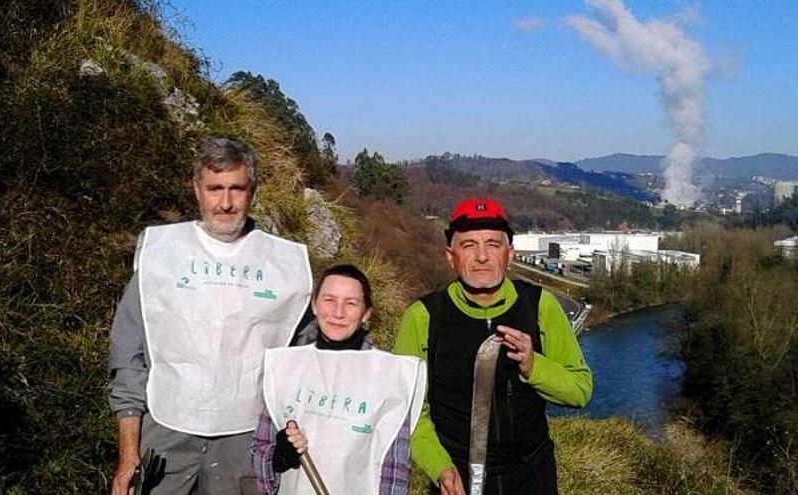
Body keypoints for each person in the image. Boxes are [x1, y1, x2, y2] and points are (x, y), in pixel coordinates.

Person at [108, 137, 312, 495]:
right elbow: (128, 356)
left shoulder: (284, 265)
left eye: (237, 189)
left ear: (253, 190)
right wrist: (128, 453)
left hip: (246, 438)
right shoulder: (162, 254)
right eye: (215, 188)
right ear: (196, 190)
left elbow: (311, 357)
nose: (226, 202)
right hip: (165, 428)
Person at [394, 198, 592, 495]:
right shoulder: (423, 318)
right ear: (451, 256)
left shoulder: (541, 306)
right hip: (456, 478)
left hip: (531, 474)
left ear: (509, 254)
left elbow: (580, 390)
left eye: (493, 244)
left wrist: (533, 365)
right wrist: (439, 467)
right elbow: (408, 411)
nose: (482, 256)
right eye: (469, 245)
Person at [250, 264, 426, 495]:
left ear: (366, 313)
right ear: (314, 304)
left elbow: (395, 469)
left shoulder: (391, 376)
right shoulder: (284, 366)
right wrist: (278, 458)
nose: (338, 312)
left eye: (351, 303)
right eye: (329, 300)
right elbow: (261, 450)